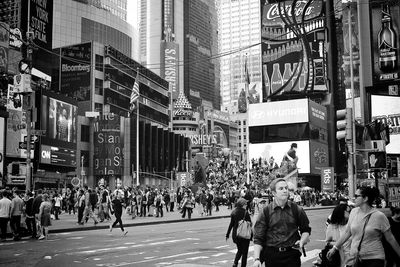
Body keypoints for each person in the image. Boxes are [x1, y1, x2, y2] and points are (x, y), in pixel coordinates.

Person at [327, 186, 400, 267]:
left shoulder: (379, 216)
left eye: (356, 196)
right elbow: (347, 232)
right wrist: (335, 247)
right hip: (355, 258)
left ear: (365, 199)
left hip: (375, 258)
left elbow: (390, 238)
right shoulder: (353, 212)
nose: (354, 198)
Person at [252, 178, 311, 267]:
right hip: (272, 256)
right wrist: (257, 259)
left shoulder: (297, 209)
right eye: (281, 189)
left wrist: (302, 241)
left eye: (286, 188)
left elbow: (306, 230)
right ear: (273, 193)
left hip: (292, 255)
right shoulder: (266, 211)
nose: (285, 191)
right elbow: (258, 238)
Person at [226, 198, 252, 267]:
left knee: (240, 250)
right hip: (244, 235)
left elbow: (231, 224)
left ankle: (235, 263)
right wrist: (251, 236)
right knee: (245, 253)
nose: (246, 205)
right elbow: (249, 225)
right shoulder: (245, 212)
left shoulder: (234, 212)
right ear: (243, 205)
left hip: (236, 235)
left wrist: (227, 234)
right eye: (246, 204)